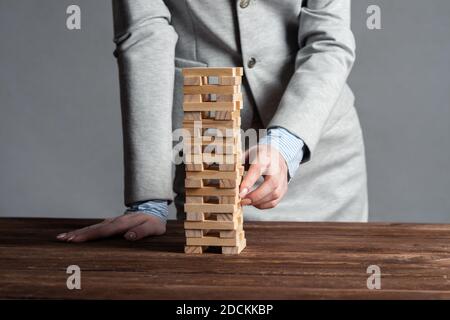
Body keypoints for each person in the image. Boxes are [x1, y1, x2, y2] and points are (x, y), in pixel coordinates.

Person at [57, 0, 367, 243]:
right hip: (210, 153)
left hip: (318, 151)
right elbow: (144, 34)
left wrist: (285, 145)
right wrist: (149, 199)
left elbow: (330, 39)